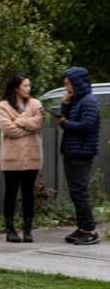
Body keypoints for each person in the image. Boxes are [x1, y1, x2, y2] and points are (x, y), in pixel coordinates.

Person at [54, 66, 100, 245]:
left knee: (80, 193)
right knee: (75, 193)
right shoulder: (76, 100)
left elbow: (86, 126)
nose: (67, 87)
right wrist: (65, 104)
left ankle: (90, 230)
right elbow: (68, 120)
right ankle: (82, 228)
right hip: (73, 151)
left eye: (68, 84)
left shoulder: (89, 101)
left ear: (77, 83)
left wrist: (64, 123)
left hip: (82, 153)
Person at [0, 74, 44, 242]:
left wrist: (20, 121)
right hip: (12, 158)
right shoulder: (2, 106)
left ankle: (28, 230)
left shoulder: (36, 104)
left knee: (29, 194)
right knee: (11, 193)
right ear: (16, 88)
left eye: (29, 86)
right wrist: (28, 126)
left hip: (32, 156)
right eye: (25, 86)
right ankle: (10, 230)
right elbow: (8, 130)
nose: (28, 89)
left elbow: (39, 123)